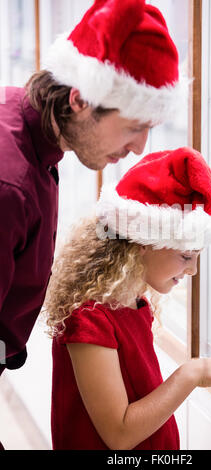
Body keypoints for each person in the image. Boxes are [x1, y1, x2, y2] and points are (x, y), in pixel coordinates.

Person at [0, 0, 180, 381]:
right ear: (80, 99)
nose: (139, 148)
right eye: (133, 127)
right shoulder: (8, 185)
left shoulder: (24, 122)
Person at [45, 147, 211, 450]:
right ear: (142, 243)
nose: (193, 270)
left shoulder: (136, 302)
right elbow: (119, 434)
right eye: (186, 256)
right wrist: (192, 373)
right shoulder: (89, 317)